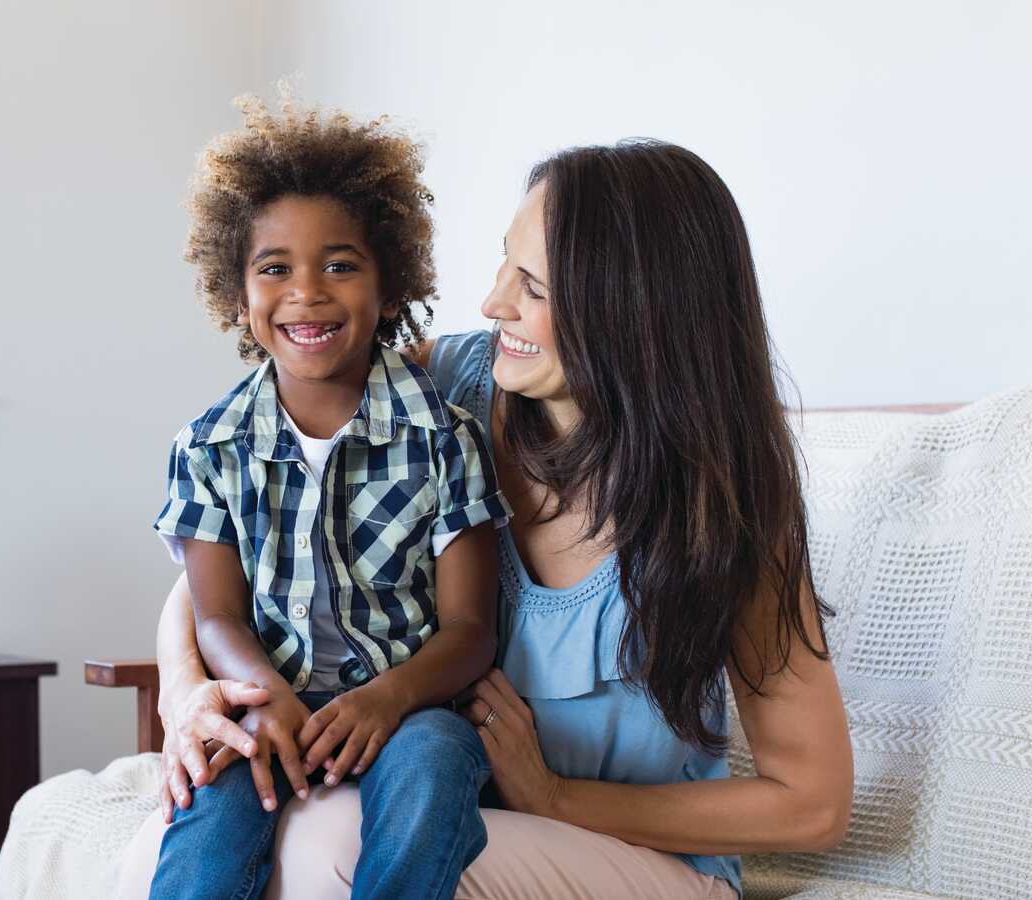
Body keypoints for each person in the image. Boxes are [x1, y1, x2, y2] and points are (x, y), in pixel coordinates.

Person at [121, 139, 854, 900]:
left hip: (638, 859)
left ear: (635, 311)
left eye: (532, 286)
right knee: (157, 850)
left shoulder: (724, 510)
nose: (494, 302)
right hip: (452, 810)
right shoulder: (445, 390)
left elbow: (814, 805)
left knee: (327, 848)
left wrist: (560, 799)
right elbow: (232, 570)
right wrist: (187, 698)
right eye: (506, 263)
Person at [144, 94, 510, 900]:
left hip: (409, 707)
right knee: (207, 815)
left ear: (390, 286)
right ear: (238, 296)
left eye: (340, 265)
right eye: (275, 269)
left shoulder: (445, 440)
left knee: (436, 767)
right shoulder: (208, 448)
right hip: (264, 707)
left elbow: (470, 630)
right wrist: (265, 695)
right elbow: (217, 617)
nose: (306, 292)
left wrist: (390, 698)